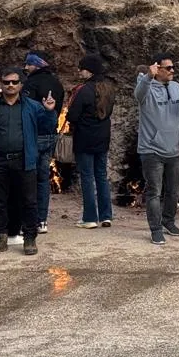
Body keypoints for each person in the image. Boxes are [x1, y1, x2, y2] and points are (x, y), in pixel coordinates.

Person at [0, 67, 57, 256]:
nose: (10, 85)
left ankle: (29, 237)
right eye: (6, 82)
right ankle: (0, 237)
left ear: (21, 85)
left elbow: (48, 126)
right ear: (1, 85)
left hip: (24, 160)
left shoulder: (32, 106)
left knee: (29, 201)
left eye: (14, 82)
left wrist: (49, 111)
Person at [135, 54, 179, 245]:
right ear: (157, 69)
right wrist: (148, 77)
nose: (172, 70)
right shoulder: (146, 87)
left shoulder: (176, 87)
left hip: (173, 148)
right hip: (151, 150)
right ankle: (156, 229)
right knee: (154, 192)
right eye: (168, 68)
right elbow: (138, 94)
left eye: (173, 67)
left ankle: (168, 221)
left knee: (173, 191)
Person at [69, 55, 115, 230]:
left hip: (84, 139)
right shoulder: (109, 89)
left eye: (81, 68)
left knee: (87, 177)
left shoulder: (84, 90)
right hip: (103, 138)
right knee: (101, 176)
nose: (79, 71)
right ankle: (106, 215)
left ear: (89, 71)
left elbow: (72, 115)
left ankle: (89, 217)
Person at [22, 51, 65, 234]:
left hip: (33, 135)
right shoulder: (57, 83)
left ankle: (28, 220)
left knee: (28, 179)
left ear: (37, 64)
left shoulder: (30, 83)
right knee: (43, 179)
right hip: (50, 135)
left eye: (28, 64)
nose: (26, 67)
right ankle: (42, 220)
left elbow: (26, 110)